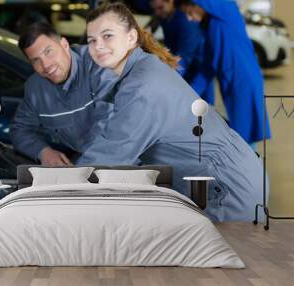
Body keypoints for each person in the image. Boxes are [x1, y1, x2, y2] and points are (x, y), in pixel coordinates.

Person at [76, 2, 265, 222]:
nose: (98, 46)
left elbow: (110, 153)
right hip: (234, 175)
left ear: (131, 37)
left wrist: (55, 187)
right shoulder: (145, 66)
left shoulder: (143, 86)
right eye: (92, 40)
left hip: (227, 189)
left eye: (107, 36)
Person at [10, 22, 117, 166]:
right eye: (36, 60)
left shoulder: (100, 65)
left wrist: (81, 171)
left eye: (48, 51)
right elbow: (19, 130)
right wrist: (43, 152)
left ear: (64, 44)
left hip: (132, 159)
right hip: (86, 163)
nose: (46, 65)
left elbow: (110, 125)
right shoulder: (35, 89)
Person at [175, 0, 271, 145]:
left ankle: (254, 167)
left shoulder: (225, 11)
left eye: (189, 12)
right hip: (232, 84)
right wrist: (188, 96)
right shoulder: (210, 29)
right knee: (241, 137)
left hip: (244, 81)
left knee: (245, 140)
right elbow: (206, 68)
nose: (189, 18)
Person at [149, 0, 214, 104]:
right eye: (154, 9)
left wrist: (166, 83)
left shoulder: (187, 20)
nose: (157, 13)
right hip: (181, 68)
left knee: (199, 108)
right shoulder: (165, 16)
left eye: (160, 8)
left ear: (170, 2)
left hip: (198, 70)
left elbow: (184, 58)